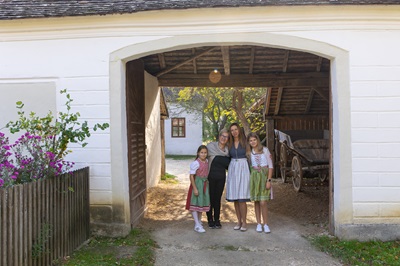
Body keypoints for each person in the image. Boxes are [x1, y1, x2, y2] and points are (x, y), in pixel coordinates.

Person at [247, 132, 274, 233]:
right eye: (250, 141)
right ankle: (258, 223)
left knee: (263, 202)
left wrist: (269, 180)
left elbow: (270, 166)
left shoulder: (265, 150)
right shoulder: (250, 152)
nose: (253, 142)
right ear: (249, 142)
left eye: (254, 140)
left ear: (257, 140)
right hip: (255, 177)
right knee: (257, 201)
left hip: (264, 176)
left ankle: (265, 224)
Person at [226, 123, 251, 231]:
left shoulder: (245, 142)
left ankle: (244, 222)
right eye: (232, 130)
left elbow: (250, 155)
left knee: (242, 198)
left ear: (239, 130)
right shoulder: (229, 143)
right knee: (235, 198)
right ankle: (239, 221)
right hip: (233, 168)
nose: (234, 132)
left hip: (243, 167)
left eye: (236, 129)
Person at [206, 129, 231, 229]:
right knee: (210, 198)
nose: (224, 138)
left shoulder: (228, 150)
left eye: (226, 137)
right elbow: (201, 157)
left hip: (221, 177)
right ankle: (209, 219)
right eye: (222, 136)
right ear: (219, 136)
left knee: (218, 199)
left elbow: (229, 164)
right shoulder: (210, 147)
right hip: (210, 176)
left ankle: (217, 219)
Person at [185, 145, 210, 233]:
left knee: (201, 203)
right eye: (201, 153)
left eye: (205, 153)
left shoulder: (207, 161)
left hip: (204, 184)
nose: (203, 154)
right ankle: (196, 224)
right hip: (197, 184)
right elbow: (191, 176)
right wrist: (195, 188)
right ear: (198, 153)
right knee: (195, 204)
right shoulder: (196, 163)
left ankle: (199, 221)